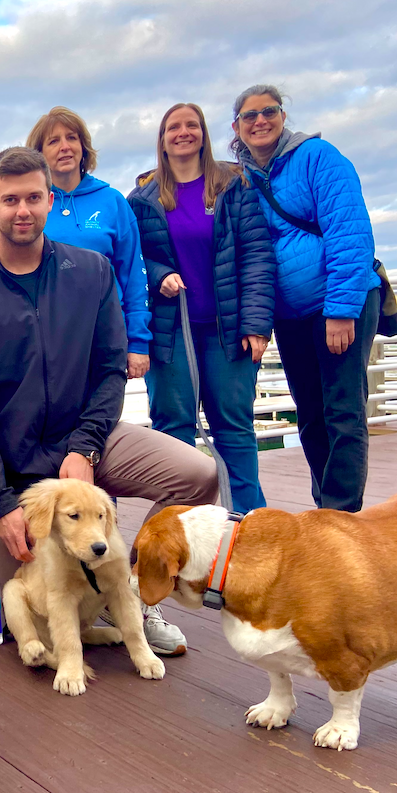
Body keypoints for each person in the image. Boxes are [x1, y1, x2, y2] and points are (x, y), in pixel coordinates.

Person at [0, 147, 220, 657]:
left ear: (50, 201)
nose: (21, 210)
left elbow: (111, 368)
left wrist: (85, 448)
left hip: (91, 438)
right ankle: (86, 588)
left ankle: (131, 592)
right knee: (40, 630)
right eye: (10, 200)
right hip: (21, 470)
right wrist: (1, 506)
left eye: (32, 198)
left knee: (198, 475)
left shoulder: (91, 271)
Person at [230, 84, 381, 512]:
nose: (260, 121)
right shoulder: (242, 179)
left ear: (282, 117)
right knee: (310, 415)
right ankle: (326, 506)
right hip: (290, 315)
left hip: (336, 305)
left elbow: (349, 233)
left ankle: (342, 512)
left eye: (269, 111)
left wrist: (341, 310)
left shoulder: (319, 158)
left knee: (343, 411)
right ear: (237, 127)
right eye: (249, 116)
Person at [128, 103, 276, 514]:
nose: (183, 132)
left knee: (234, 430)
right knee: (173, 431)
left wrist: (258, 324)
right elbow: (133, 256)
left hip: (227, 332)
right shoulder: (142, 197)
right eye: (173, 127)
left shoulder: (233, 187)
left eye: (191, 125)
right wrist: (159, 273)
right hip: (172, 334)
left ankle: (249, 520)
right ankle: (180, 526)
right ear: (162, 139)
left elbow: (258, 256)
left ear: (204, 133)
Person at [27, 107, 152, 380]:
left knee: (102, 419)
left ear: (83, 147)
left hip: (105, 334)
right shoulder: (31, 204)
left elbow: (132, 275)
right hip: (45, 339)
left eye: (71, 138)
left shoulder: (112, 201)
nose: (65, 147)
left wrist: (138, 342)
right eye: (53, 141)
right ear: (39, 153)